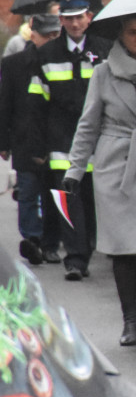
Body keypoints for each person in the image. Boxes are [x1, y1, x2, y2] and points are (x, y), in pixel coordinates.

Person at [62, 14, 136, 346]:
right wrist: (75, 168)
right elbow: (88, 124)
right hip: (116, 166)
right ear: (121, 36)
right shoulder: (104, 72)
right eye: (132, 32)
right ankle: (130, 318)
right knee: (123, 249)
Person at [33, 0, 113, 281]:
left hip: (99, 141)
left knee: (92, 203)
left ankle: (87, 247)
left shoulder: (105, 50)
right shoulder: (46, 55)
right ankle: (75, 260)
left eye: (79, 17)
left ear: (89, 17)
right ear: (61, 21)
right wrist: (37, 145)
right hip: (61, 142)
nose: (75, 23)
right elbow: (36, 105)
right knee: (68, 200)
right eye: (68, 18)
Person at [0, 14, 62, 265]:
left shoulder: (61, 61)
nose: (50, 41)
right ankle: (32, 240)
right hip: (24, 138)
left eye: (55, 36)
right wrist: (3, 142)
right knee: (26, 191)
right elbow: (5, 104)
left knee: (52, 193)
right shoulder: (13, 63)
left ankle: (50, 244)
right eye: (46, 36)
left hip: (55, 138)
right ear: (32, 34)